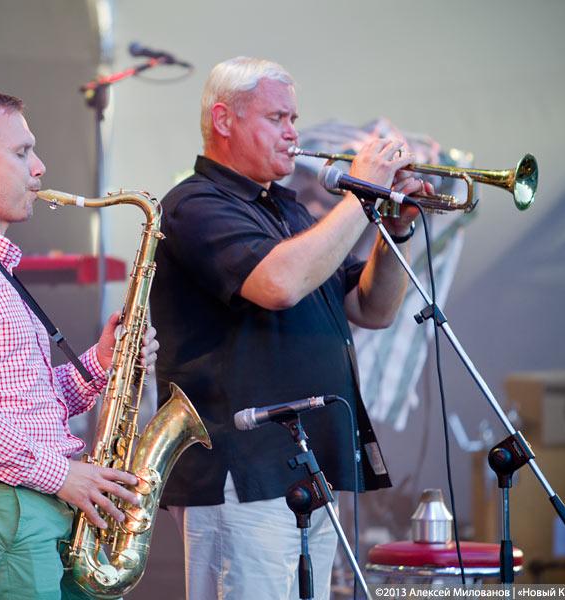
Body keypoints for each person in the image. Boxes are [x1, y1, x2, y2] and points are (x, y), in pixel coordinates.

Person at [150, 57, 433, 600]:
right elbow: (278, 284)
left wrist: (394, 231)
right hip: (243, 468)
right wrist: (362, 194)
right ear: (224, 120)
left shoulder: (288, 211)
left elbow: (371, 309)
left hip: (309, 464)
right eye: (276, 117)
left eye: (293, 119)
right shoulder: (193, 204)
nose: (292, 133)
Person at [0, 90, 158, 599]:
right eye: (21, 152)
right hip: (7, 509)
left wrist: (102, 362)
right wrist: (62, 474)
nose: (39, 167)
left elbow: (24, 403)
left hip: (35, 503)